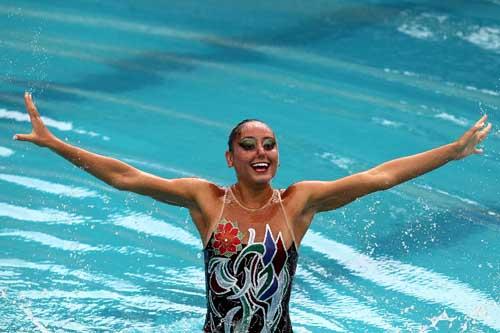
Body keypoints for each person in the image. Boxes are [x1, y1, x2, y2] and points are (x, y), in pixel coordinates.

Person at [14, 92, 492, 332]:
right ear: (231, 157)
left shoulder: (298, 204)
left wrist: (451, 151)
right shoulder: (207, 200)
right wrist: (56, 144)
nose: (261, 152)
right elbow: (125, 176)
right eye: (248, 145)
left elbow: (379, 177)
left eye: (269, 145)